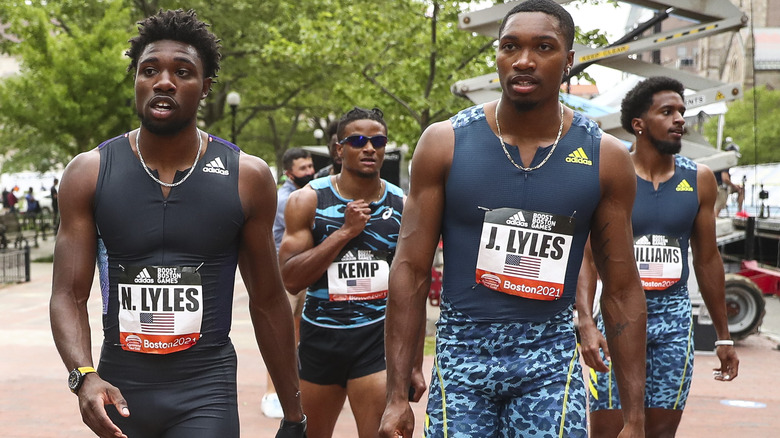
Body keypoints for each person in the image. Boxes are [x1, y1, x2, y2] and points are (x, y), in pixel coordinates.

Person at [379, 1, 648, 437]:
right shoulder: (445, 143)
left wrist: (635, 416)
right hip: (463, 357)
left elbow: (621, 287)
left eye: (544, 47)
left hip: (549, 357)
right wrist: (395, 395)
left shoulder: (606, 157)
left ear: (569, 61)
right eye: (510, 47)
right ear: (498, 55)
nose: (524, 61)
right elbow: (410, 269)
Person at [49, 9, 306, 438]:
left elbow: (267, 300)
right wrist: (83, 377)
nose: (163, 81)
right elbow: (68, 295)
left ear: (205, 88)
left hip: (206, 390)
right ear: (136, 80)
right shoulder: (88, 173)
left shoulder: (247, 176)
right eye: (149, 70)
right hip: (121, 388)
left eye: (182, 72)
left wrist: (294, 413)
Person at [577, 76, 740, 438]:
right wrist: (585, 320)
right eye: (667, 112)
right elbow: (588, 257)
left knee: (660, 432)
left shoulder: (699, 180)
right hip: (617, 317)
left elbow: (707, 260)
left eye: (681, 111)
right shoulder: (609, 176)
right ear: (638, 124)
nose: (680, 119)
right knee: (609, 430)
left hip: (673, 318)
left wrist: (723, 337)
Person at [279, 107, 411, 438]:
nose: (369, 148)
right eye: (358, 140)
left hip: (375, 338)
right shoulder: (308, 200)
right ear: (339, 149)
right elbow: (290, 279)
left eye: (377, 140)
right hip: (320, 337)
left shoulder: (402, 205)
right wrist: (344, 232)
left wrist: (414, 363)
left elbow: (414, 281)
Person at [262, 147, 315, 419]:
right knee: (280, 339)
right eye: (303, 168)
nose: (309, 172)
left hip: (302, 275)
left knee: (296, 338)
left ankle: (292, 393)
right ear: (288, 173)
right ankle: (271, 393)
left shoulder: (302, 195)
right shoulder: (288, 200)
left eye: (310, 166)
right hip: (284, 278)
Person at [714, 139, 745, 216]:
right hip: (720, 187)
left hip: (716, 185)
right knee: (717, 208)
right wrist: (734, 186)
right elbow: (725, 178)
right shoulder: (725, 162)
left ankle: (740, 211)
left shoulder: (718, 160)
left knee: (741, 189)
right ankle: (714, 223)